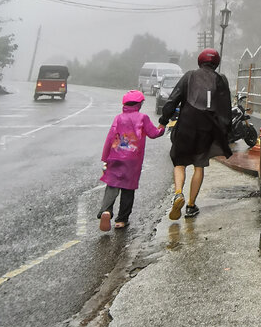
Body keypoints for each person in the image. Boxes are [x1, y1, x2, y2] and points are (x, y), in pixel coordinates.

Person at [159, 48, 232, 220]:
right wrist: (225, 132)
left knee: (179, 163)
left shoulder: (189, 76)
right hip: (207, 128)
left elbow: (172, 100)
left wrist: (164, 120)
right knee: (199, 166)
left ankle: (178, 194)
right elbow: (225, 108)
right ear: (216, 63)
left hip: (186, 125)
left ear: (200, 60)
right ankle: (191, 206)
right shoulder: (221, 80)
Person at [98, 90, 165, 230]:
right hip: (133, 160)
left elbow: (110, 138)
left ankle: (106, 211)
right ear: (139, 104)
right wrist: (162, 129)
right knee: (128, 189)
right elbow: (153, 134)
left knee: (112, 184)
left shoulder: (118, 118)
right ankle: (121, 220)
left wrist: (105, 157)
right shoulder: (143, 118)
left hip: (115, 156)